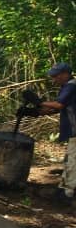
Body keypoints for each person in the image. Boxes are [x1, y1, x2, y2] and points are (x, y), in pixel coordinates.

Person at [38, 62, 76, 197]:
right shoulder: (67, 86)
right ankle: (64, 187)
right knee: (69, 159)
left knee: (72, 161)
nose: (54, 80)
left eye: (56, 76)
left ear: (65, 74)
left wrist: (39, 102)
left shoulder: (71, 86)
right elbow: (58, 108)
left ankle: (68, 192)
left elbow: (59, 105)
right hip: (72, 132)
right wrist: (37, 111)